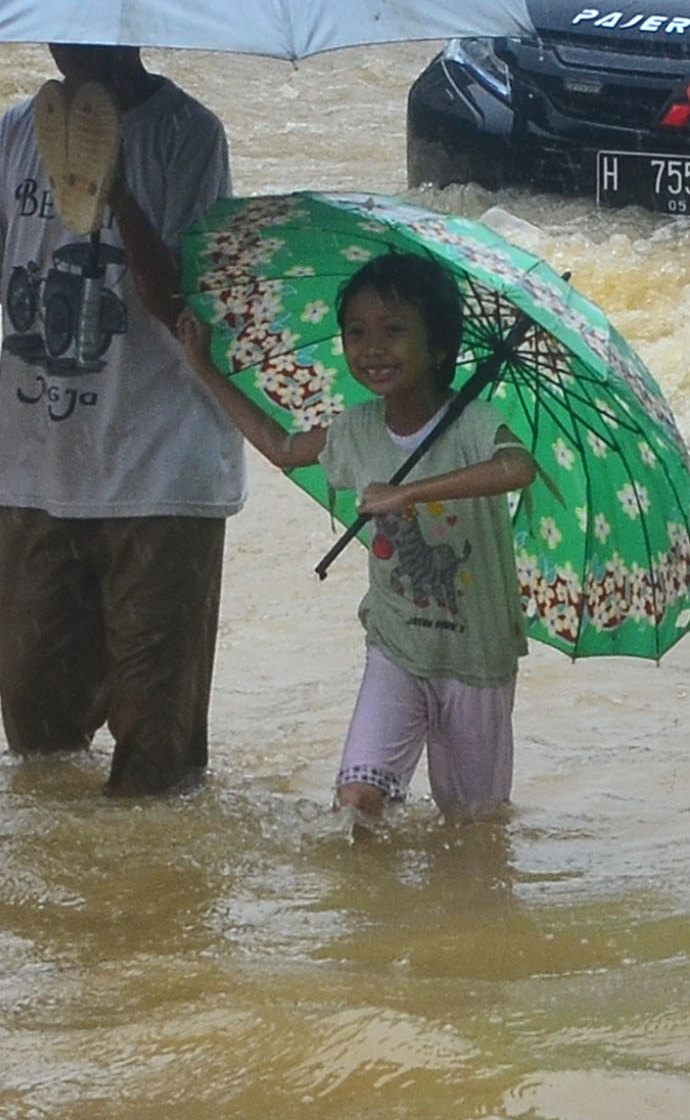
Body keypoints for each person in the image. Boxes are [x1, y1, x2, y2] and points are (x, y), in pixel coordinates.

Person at [0, 45, 243, 797]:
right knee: (37, 736)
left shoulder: (190, 136)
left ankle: (143, 905)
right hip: (41, 472)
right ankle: (60, 903)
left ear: (129, 25)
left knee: (156, 756)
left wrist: (119, 196)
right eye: (55, 27)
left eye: (87, 25)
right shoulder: (11, 136)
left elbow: (186, 310)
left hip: (162, 478)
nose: (66, 46)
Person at [182, 246, 536, 831]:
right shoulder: (356, 429)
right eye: (357, 333)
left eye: (394, 331)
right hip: (395, 645)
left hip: (476, 657)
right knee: (356, 804)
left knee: (475, 825)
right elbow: (283, 447)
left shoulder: (474, 426)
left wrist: (409, 494)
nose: (372, 349)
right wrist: (202, 366)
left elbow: (517, 469)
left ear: (439, 347)